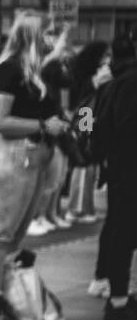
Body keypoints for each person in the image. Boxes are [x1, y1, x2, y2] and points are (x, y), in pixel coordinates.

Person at [0, 13, 68, 320]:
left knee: (15, 234)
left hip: (34, 156)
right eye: (48, 34)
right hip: (13, 156)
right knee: (0, 232)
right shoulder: (9, 70)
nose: (53, 40)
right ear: (32, 36)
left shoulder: (35, 72)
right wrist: (42, 125)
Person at [90, 34, 136, 299]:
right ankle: (118, 296)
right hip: (127, 165)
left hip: (117, 163)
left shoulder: (108, 83)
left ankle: (104, 280)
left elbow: (92, 122)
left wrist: (95, 154)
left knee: (116, 224)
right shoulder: (122, 83)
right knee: (123, 229)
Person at [27, 24, 73, 236]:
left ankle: (47, 214)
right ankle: (35, 217)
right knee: (42, 177)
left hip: (53, 122)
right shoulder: (37, 65)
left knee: (56, 175)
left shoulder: (54, 68)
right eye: (48, 35)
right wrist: (63, 37)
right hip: (38, 128)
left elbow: (68, 83)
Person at [66, 40, 109, 224]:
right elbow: (83, 98)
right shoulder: (87, 76)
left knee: (89, 161)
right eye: (105, 55)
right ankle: (77, 208)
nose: (107, 59)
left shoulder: (83, 72)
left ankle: (85, 207)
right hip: (86, 114)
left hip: (88, 114)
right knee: (85, 157)